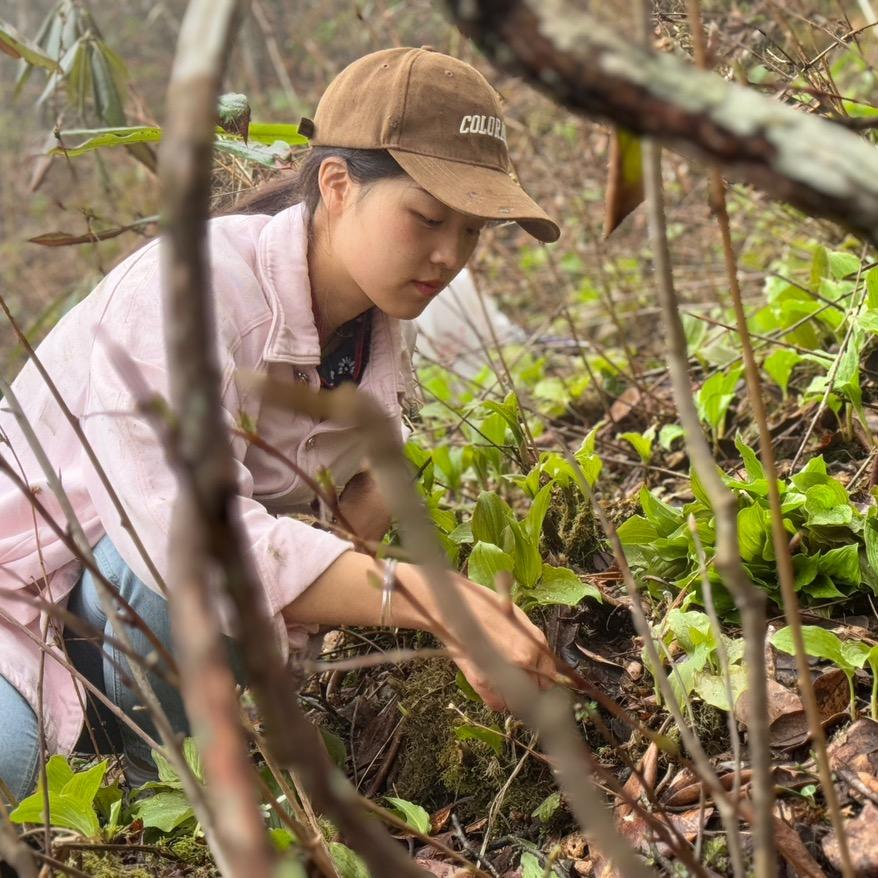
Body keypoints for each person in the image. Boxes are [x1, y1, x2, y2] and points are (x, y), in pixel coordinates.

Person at [0, 46, 561, 803]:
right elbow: (186, 542)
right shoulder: (189, 291)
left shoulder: (372, 325)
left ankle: (160, 779)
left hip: (115, 630)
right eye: (428, 218)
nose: (447, 255)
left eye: (471, 231)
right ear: (337, 185)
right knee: (23, 773)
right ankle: (156, 787)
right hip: (24, 599)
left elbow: (349, 496)